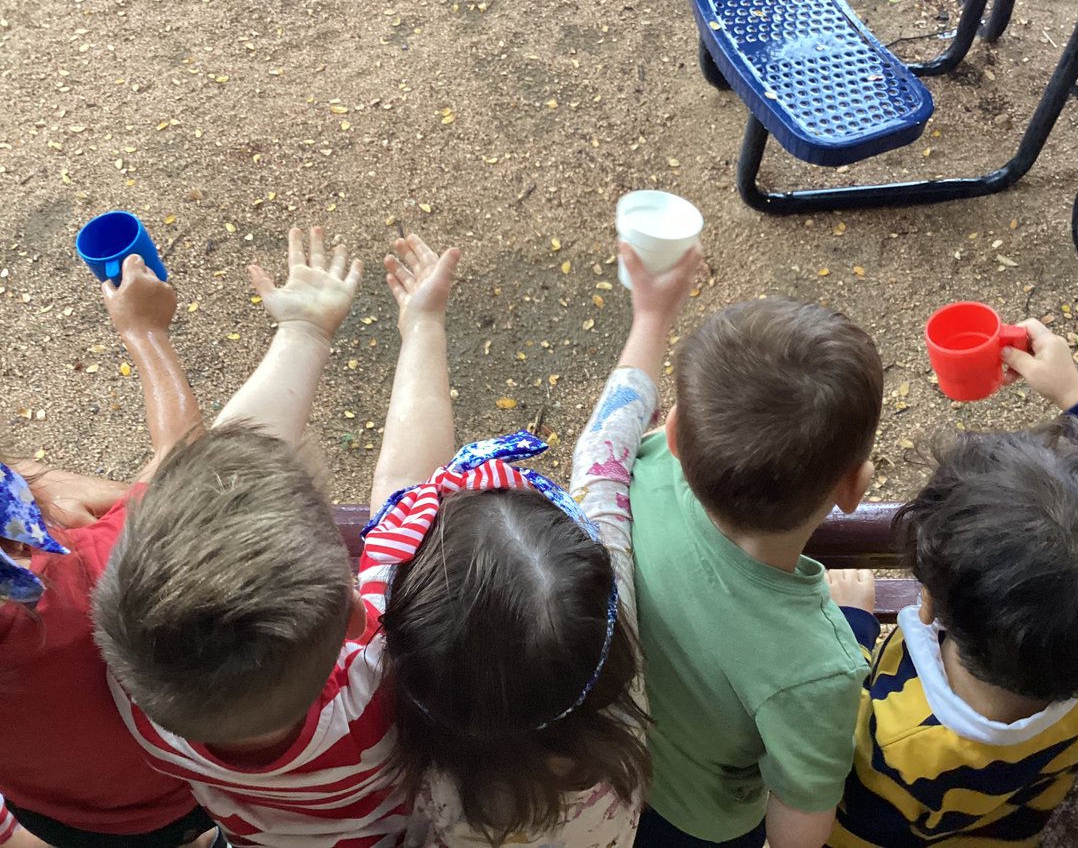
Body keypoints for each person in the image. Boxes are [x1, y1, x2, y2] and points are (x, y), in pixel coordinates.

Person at [364, 240, 699, 847]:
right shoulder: (614, 631)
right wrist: (652, 318)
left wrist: (423, 325)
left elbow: (399, 486)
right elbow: (606, 453)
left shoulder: (386, 691)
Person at [91, 229, 410, 848]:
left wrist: (303, 334)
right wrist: (312, 333)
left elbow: (216, 488)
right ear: (354, 615)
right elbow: (405, 503)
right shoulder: (378, 695)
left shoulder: (144, 708)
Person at [827, 319, 1078, 847]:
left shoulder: (900, 736)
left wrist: (853, 629)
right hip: (1011, 823)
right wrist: (1077, 394)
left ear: (928, 600)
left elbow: (838, 790)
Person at [629, 298, 885, 848]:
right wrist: (854, 631)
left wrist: (651, 312)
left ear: (671, 435)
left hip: (610, 771)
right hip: (698, 824)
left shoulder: (640, 469)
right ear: (854, 489)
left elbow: (618, 406)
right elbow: (798, 832)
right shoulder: (817, 668)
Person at [0, 255, 216, 848]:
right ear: (15, 531)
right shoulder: (94, 569)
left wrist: (37, 479)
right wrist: (145, 332)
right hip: (190, 785)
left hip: (66, 818)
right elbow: (185, 464)